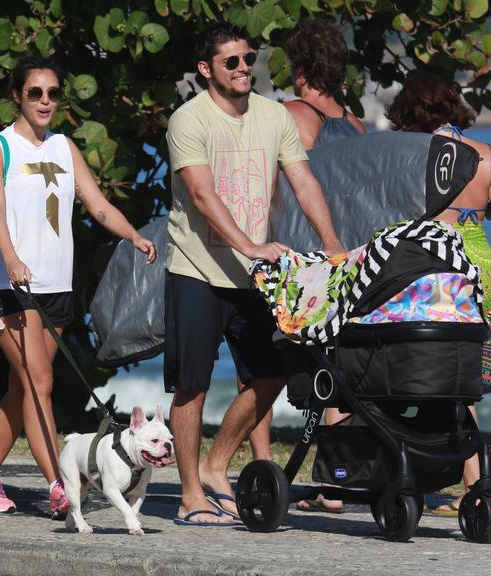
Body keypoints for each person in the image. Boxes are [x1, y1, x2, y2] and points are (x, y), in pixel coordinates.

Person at [165, 23, 344, 525]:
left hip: (255, 276)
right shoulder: (188, 120)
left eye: (248, 59)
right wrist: (249, 245)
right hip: (196, 268)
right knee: (192, 385)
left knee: (273, 372)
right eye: (232, 62)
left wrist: (332, 246)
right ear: (206, 70)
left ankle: (217, 465)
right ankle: (190, 496)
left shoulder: (272, 116)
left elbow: (303, 180)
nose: (245, 68)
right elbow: (201, 194)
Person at [0, 55, 156, 517]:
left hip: (56, 286)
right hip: (10, 284)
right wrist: (10, 258)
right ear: (17, 97)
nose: (45, 101)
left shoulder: (64, 147)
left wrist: (132, 234)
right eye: (35, 93)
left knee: (24, 387)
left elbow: (96, 202)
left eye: (52, 93)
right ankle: (60, 485)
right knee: (41, 381)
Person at [386, 70, 491, 512]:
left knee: (414, 367)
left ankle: (408, 465)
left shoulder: (406, 155)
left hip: (422, 269)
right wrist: (475, 209)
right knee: (463, 376)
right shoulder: (488, 155)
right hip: (474, 267)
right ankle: (476, 484)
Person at [281, 18, 366, 513]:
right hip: (349, 251)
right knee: (336, 365)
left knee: (271, 363)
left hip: (306, 251)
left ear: (302, 68)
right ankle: (335, 479)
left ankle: (317, 479)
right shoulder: (354, 123)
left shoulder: (294, 115)